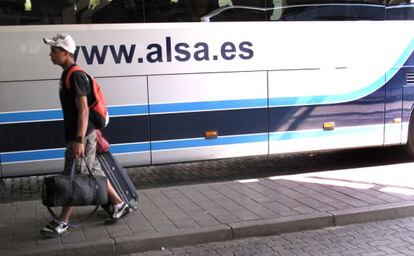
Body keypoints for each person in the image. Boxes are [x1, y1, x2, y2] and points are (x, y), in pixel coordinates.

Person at [40, 33, 129, 238]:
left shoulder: (76, 75)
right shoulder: (67, 74)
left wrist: (79, 140)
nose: (50, 54)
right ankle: (119, 204)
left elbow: (84, 111)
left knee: (73, 177)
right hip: (80, 135)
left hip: (81, 136)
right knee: (92, 173)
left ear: (66, 52)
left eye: (54, 50)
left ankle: (63, 221)